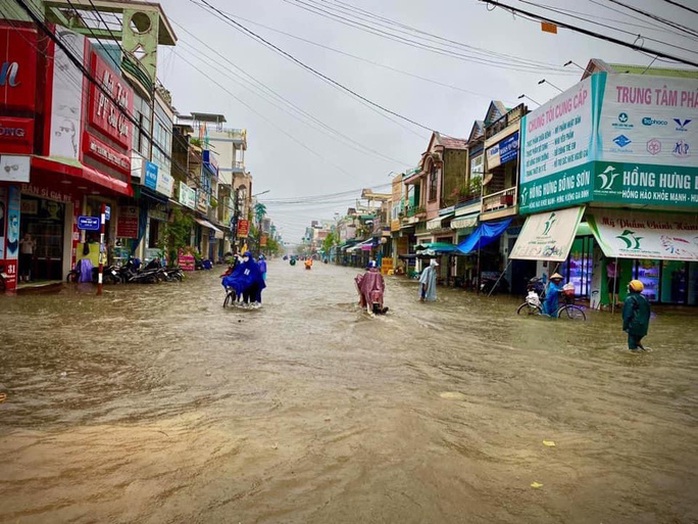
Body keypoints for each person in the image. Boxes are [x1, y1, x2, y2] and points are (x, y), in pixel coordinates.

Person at [622, 280, 651, 351]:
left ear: (631, 288)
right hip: (644, 327)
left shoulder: (630, 299)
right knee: (636, 343)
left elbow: (627, 315)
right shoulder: (644, 298)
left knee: (632, 350)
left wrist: (625, 326)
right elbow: (648, 312)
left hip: (633, 326)